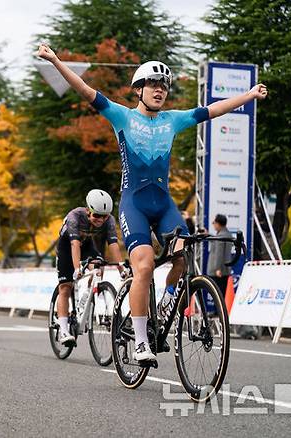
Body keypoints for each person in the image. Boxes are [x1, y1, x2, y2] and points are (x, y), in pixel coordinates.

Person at [37, 44, 267, 361]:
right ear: (139, 89)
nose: (159, 91)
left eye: (164, 87)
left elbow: (214, 110)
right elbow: (86, 90)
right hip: (134, 204)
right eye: (153, 85)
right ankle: (142, 340)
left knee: (182, 256)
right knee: (143, 266)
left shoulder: (173, 120)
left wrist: (250, 95)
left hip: (164, 204)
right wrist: (55, 61)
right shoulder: (122, 117)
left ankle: (168, 303)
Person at [56, 189, 124, 346]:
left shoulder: (109, 220)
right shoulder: (75, 217)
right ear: (88, 211)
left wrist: (121, 268)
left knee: (98, 269)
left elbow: (113, 244)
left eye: (104, 216)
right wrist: (77, 268)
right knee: (65, 287)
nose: (101, 219)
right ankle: (63, 329)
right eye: (97, 215)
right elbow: (74, 244)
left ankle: (86, 298)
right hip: (68, 247)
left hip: (87, 245)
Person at [207, 214, 232, 297]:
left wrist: (217, 268)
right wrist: (207, 234)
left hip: (218, 272)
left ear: (218, 224)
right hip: (225, 270)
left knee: (217, 294)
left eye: (214, 223)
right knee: (222, 293)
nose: (213, 225)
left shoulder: (220, 237)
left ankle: (217, 310)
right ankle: (220, 310)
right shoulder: (227, 234)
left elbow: (219, 253)